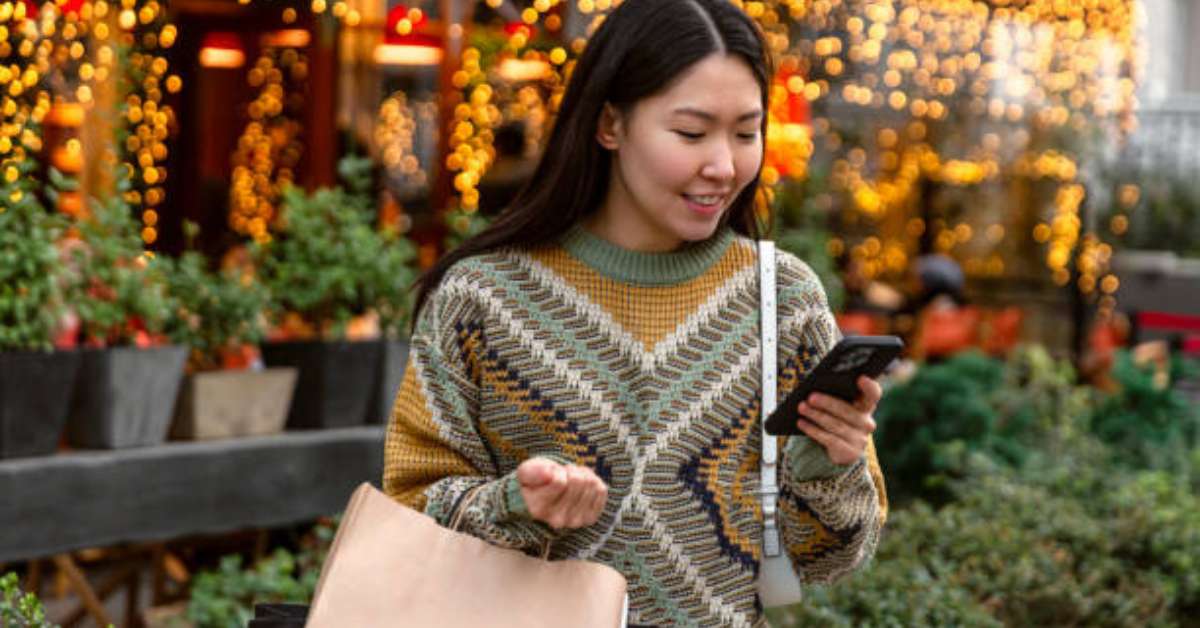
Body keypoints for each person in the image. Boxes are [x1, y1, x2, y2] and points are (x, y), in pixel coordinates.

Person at [383, 1, 887, 625]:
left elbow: (831, 558)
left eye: (745, 132)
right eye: (692, 133)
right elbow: (407, 514)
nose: (724, 166)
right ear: (610, 125)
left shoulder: (782, 300)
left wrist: (828, 466)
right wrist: (516, 504)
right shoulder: (483, 300)